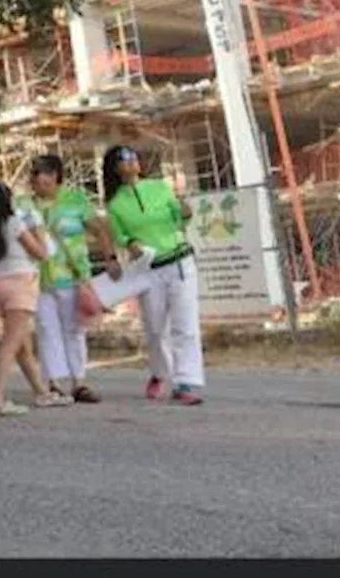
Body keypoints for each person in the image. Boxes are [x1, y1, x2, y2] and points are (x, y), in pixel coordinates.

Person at [101, 145, 205, 406]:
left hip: (179, 260)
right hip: (149, 269)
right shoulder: (115, 205)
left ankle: (186, 382)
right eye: (125, 158)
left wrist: (185, 213)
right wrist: (130, 243)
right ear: (115, 167)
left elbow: (178, 219)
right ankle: (160, 373)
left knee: (186, 325)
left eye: (135, 156)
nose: (132, 161)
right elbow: (120, 235)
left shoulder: (159, 187)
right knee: (156, 329)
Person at [20, 155, 118, 404]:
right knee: (46, 329)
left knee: (74, 330)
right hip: (38, 278)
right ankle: (54, 382)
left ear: (54, 176)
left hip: (72, 275)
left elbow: (98, 229)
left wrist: (111, 258)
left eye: (38, 173)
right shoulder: (23, 203)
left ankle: (79, 381)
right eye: (32, 173)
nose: (33, 179)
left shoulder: (76, 200)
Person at [0, 182, 74, 416]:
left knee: (22, 345)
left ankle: (41, 392)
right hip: (21, 283)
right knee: (11, 343)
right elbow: (41, 253)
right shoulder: (14, 223)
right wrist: (39, 229)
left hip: (0, 282)